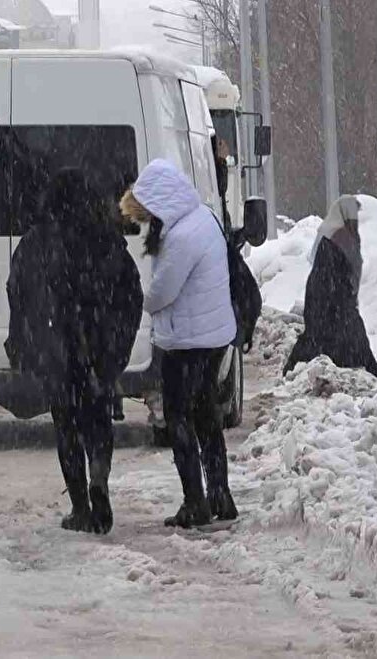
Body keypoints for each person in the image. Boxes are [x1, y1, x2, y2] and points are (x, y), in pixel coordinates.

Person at [7, 168, 143, 535]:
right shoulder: (106, 239)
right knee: (98, 421)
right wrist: (117, 344)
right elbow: (132, 293)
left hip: (56, 352)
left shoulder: (36, 242)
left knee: (66, 427)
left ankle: (81, 506)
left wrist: (21, 341)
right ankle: (100, 479)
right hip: (98, 350)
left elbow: (17, 293)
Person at [120, 159, 237, 529]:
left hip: (187, 342)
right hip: (212, 336)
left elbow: (163, 292)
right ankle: (220, 496)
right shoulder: (203, 219)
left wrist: (142, 300)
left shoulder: (182, 236)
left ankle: (195, 502)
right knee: (206, 417)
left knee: (179, 418)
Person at [283, 196, 377, 378]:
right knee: (329, 331)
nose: (355, 221)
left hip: (328, 292)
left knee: (321, 333)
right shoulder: (338, 235)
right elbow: (340, 265)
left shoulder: (332, 232)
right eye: (352, 216)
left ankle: (294, 367)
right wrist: (344, 291)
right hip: (328, 293)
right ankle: (369, 365)